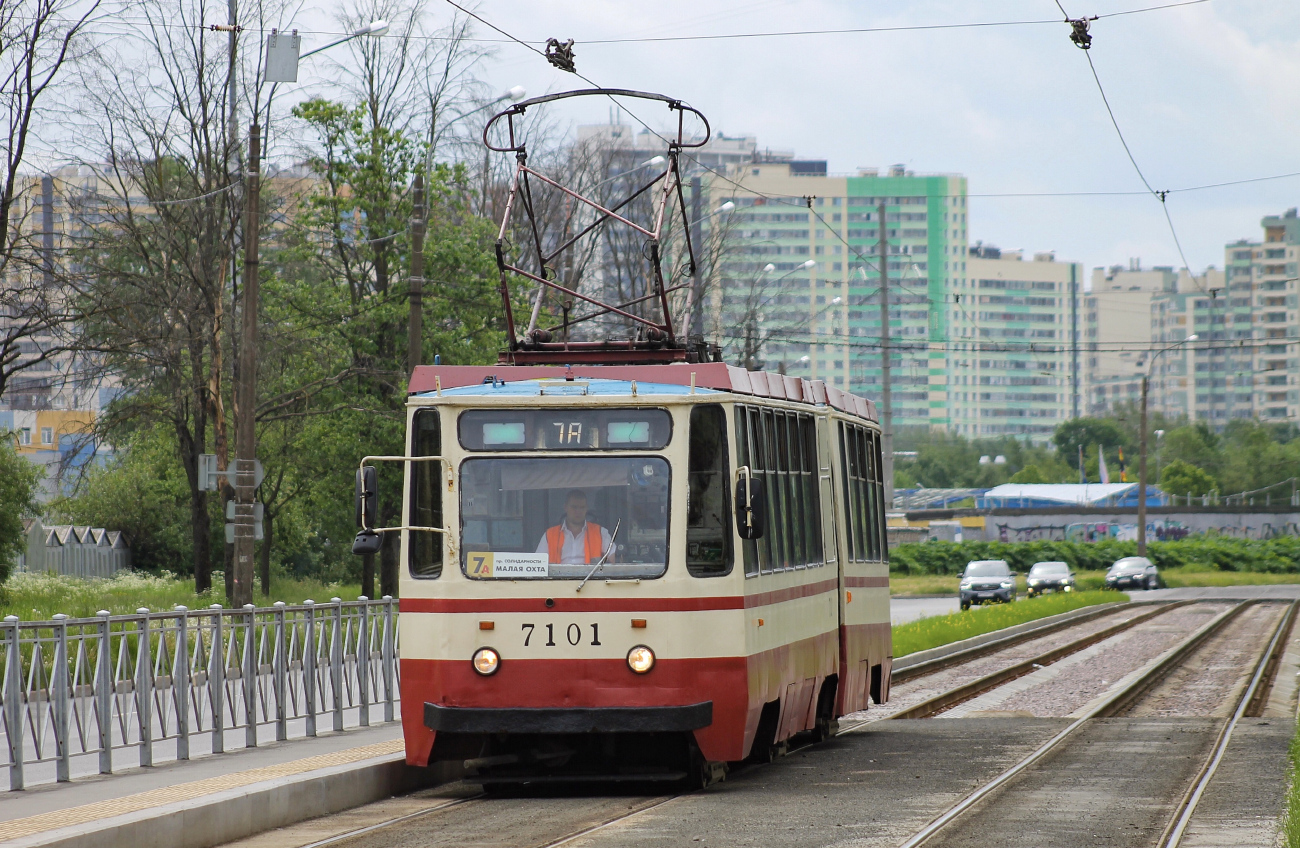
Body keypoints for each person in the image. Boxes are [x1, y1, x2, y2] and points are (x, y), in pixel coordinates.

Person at [536, 490, 612, 564]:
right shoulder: (549, 535)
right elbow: (537, 563)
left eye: (582, 507)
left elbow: (612, 564)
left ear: (587, 509)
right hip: (557, 576)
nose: (578, 511)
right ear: (565, 507)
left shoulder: (601, 533)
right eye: (574, 507)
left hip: (591, 576)